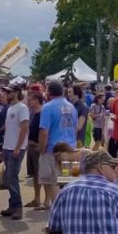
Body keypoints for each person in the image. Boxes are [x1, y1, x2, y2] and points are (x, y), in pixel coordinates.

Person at [38, 81, 77, 211]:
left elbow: (44, 131)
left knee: (53, 182)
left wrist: (42, 148)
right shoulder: (72, 107)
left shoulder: (47, 107)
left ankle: (57, 211)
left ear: (49, 92)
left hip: (53, 149)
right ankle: (70, 208)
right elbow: (75, 128)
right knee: (70, 180)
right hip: (70, 150)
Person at [0, 85, 29, 220]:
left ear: (17, 93)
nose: (6, 94)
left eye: (9, 92)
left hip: (16, 148)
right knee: (9, 177)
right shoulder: (10, 108)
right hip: (8, 147)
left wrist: (18, 147)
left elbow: (24, 128)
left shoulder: (22, 108)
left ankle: (17, 206)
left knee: (12, 177)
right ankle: (12, 205)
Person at [24, 91, 45, 209]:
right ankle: (37, 198)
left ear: (37, 100)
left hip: (38, 148)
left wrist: (40, 145)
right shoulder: (32, 113)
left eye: (30, 99)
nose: (28, 101)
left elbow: (45, 131)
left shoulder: (43, 113)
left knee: (42, 174)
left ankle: (46, 200)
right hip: (31, 147)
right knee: (35, 175)